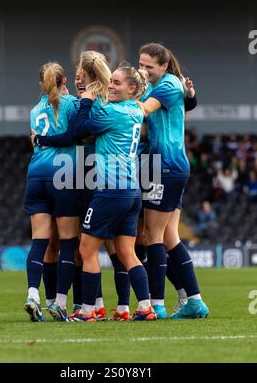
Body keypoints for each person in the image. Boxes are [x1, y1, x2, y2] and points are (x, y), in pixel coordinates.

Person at [33, 53, 133, 321]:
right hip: (77, 174)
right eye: (76, 79)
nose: (78, 82)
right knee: (82, 245)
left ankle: (122, 305)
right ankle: (93, 303)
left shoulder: (101, 103)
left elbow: (77, 134)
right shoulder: (79, 104)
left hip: (100, 176)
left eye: (82, 77)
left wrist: (43, 139)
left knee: (111, 245)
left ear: (92, 77)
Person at [72, 64, 156, 322]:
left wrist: (87, 96)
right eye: (111, 81)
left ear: (132, 88)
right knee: (127, 253)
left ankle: (87, 312)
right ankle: (145, 307)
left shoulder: (113, 112)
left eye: (117, 83)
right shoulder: (134, 109)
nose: (111, 86)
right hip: (131, 192)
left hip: (110, 190)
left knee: (87, 250)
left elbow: (81, 127)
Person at [138, 42, 209, 319]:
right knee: (168, 236)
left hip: (165, 166)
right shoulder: (164, 84)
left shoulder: (166, 86)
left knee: (151, 236)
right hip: (165, 164)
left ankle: (156, 304)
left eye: (148, 67)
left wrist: (117, 99)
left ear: (164, 66)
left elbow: (142, 111)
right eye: (140, 65)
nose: (143, 70)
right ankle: (193, 300)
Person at [24, 61, 80, 322]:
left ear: (40, 84)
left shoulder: (34, 110)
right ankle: (59, 303)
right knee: (69, 242)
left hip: (36, 173)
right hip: (63, 171)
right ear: (64, 81)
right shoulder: (70, 104)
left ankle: (33, 295)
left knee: (40, 241)